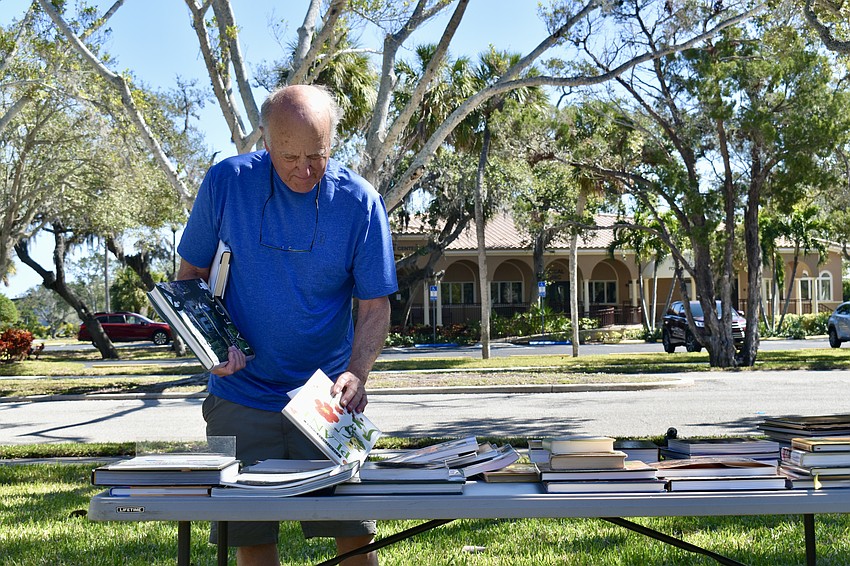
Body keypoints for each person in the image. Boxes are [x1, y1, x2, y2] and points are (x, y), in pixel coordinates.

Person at [176, 84, 397, 566]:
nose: (303, 168)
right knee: (252, 538)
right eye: (289, 155)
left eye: (316, 155)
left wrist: (358, 372)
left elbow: (374, 306)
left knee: (356, 534)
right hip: (239, 396)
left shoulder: (360, 202)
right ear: (267, 142)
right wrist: (212, 347)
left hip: (326, 399)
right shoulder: (225, 183)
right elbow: (188, 278)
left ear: (333, 142)